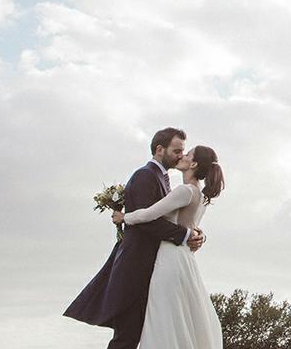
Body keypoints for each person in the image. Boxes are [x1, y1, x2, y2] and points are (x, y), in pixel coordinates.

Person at [64, 127, 208, 348]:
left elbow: (174, 217)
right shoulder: (145, 175)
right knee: (127, 337)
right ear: (160, 149)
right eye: (177, 150)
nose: (181, 155)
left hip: (152, 267)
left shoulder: (163, 179)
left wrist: (197, 234)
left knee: (137, 336)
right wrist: (185, 235)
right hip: (135, 268)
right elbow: (148, 221)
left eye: (184, 152)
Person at [114, 143, 225, 348]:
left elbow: (149, 214)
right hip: (186, 261)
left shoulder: (185, 191)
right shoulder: (200, 195)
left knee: (163, 318)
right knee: (180, 319)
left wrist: (123, 217)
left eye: (187, 154)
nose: (182, 156)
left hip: (170, 259)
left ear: (193, 163)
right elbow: (191, 226)